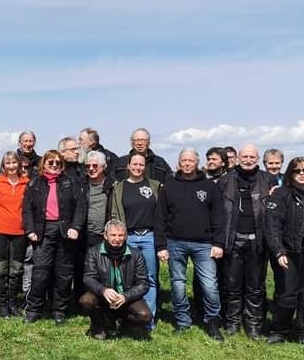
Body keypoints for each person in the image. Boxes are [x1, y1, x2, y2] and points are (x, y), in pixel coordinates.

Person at [156, 149, 225, 339]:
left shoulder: (209, 186)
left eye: (191, 161)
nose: (187, 164)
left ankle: (212, 321)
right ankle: (182, 321)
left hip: (204, 244)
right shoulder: (168, 187)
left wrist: (218, 243)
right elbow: (160, 218)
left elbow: (218, 216)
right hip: (175, 242)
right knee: (178, 284)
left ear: (197, 163)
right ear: (179, 163)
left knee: (209, 284)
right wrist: (161, 246)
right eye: (183, 160)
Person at [216, 143, 277, 339]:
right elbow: (218, 212)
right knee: (232, 285)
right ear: (238, 158)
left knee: (255, 286)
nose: (248, 160)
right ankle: (233, 322)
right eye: (245, 156)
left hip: (258, 239)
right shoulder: (226, 180)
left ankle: (253, 325)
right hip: (233, 238)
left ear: (258, 159)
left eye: (252, 157)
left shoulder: (268, 179)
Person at [265, 157, 304, 351]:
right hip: (289, 250)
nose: (301, 174)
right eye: (297, 171)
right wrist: (278, 251)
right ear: (290, 173)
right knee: (287, 293)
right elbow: (272, 225)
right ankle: (279, 331)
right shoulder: (281, 194)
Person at [22, 149, 87, 324]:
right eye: (50, 162)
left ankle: (59, 311)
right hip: (43, 231)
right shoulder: (34, 184)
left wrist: (76, 227)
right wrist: (30, 230)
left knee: (63, 274)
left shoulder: (71, 182)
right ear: (43, 164)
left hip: (65, 230)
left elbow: (80, 207)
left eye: (58, 163)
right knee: (40, 273)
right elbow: (27, 209)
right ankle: (33, 310)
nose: (54, 165)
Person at [79, 219, 153, 339]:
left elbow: (143, 283)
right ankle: (99, 325)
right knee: (86, 300)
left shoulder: (136, 254)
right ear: (105, 235)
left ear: (126, 236)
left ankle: (124, 324)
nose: (117, 239)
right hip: (103, 296)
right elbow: (88, 278)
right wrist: (103, 290)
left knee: (145, 315)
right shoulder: (93, 253)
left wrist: (126, 296)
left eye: (120, 235)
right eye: (113, 235)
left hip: (126, 297)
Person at [110, 152, 160, 327]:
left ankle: (148, 319)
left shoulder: (154, 186)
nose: (138, 167)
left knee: (149, 277)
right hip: (128, 237)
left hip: (149, 237)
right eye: (135, 164)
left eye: (141, 164)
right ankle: (125, 315)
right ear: (128, 166)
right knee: (125, 278)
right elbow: (115, 214)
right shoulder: (119, 188)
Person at [0, 150, 29, 317]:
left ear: (19, 164)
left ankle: (12, 303)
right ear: (3, 165)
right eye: (8, 163)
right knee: (0, 270)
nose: (11, 166)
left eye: (14, 162)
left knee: (16, 270)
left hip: (20, 232)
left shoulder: (27, 183)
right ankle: (1, 306)